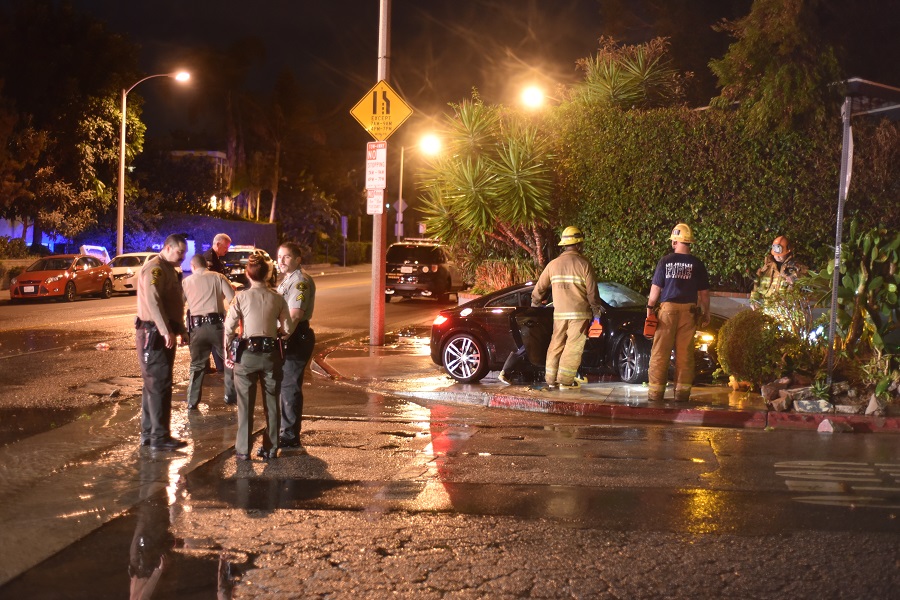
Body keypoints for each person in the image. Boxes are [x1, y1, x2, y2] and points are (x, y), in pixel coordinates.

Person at [224, 254, 293, 460]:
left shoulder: (240, 298)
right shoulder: (277, 298)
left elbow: (229, 328)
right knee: (272, 403)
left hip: (246, 356)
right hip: (270, 355)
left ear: (247, 274)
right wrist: (275, 332)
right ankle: (271, 448)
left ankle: (243, 449)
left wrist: (228, 351)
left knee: (245, 406)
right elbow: (287, 328)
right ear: (268, 274)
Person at [530, 226, 604, 390]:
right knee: (573, 347)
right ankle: (565, 380)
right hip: (579, 314)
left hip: (559, 315)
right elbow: (592, 293)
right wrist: (596, 312)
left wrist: (535, 306)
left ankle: (550, 379)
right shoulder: (584, 264)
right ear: (578, 244)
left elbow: (539, 289)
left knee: (555, 344)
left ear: (564, 244)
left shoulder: (553, 265)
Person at [135, 234, 189, 450]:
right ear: (167, 248)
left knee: (155, 383)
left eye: (184, 253)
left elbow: (174, 304)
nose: (182, 256)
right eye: (179, 252)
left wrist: (180, 329)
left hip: (161, 331)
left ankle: (150, 433)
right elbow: (153, 300)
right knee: (158, 383)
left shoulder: (169, 269)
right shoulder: (155, 268)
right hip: (153, 333)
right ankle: (159, 437)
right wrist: (165, 330)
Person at [646, 223, 710, 403]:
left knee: (660, 353)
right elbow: (704, 293)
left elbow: (656, 288)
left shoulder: (665, 261)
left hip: (667, 311)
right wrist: (706, 313)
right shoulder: (697, 264)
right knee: (685, 355)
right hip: (689, 312)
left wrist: (650, 309)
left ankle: (655, 394)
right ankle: (681, 395)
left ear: (675, 241)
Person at [275, 242, 316, 448]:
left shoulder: (300, 282)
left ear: (298, 259)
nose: (281, 261)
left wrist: (282, 337)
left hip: (294, 336)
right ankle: (285, 429)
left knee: (289, 385)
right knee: (284, 384)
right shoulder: (288, 279)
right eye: (279, 256)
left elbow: (295, 315)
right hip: (289, 335)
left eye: (287, 257)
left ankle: (290, 435)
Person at [182, 254, 235, 410]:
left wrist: (183, 331)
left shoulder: (186, 282)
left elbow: (179, 306)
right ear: (206, 265)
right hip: (217, 327)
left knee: (196, 365)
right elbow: (233, 301)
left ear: (192, 266)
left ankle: (192, 401)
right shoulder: (218, 277)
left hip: (196, 329)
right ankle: (231, 396)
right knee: (228, 361)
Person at [750, 235, 807, 306]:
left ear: (787, 252)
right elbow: (757, 285)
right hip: (765, 308)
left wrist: (793, 283)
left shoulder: (797, 268)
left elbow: (802, 290)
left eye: (780, 254)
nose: (777, 256)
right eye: (775, 254)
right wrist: (754, 300)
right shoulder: (767, 267)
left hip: (784, 309)